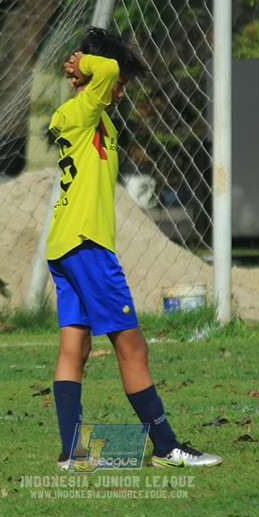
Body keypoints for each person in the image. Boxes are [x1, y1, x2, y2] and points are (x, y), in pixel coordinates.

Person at [46, 26, 222, 469]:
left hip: (65, 244)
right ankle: (166, 447)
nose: (121, 92)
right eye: (120, 83)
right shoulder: (84, 109)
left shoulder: (92, 115)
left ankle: (73, 454)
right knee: (134, 348)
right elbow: (104, 70)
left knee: (75, 350)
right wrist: (82, 63)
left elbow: (107, 74)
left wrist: (89, 69)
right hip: (87, 246)